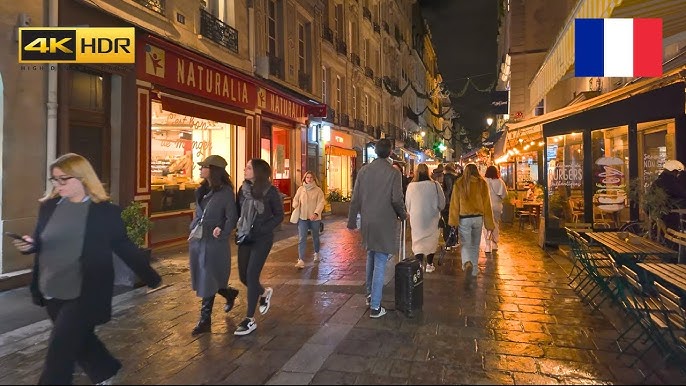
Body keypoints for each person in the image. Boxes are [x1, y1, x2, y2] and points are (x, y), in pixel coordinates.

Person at [11, 153, 161, 385]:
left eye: (64, 179)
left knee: (60, 350)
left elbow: (124, 246)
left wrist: (150, 276)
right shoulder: (49, 207)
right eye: (54, 180)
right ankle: (106, 370)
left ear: (82, 178)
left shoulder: (105, 212)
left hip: (85, 291)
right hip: (51, 288)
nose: (58, 185)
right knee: (79, 340)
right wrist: (29, 246)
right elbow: (43, 242)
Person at [347, 138, 407, 318]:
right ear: (390, 152)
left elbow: (355, 197)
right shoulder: (393, 172)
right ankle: (375, 306)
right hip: (384, 220)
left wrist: (351, 220)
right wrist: (403, 215)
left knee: (371, 256)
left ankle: (369, 294)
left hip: (367, 221)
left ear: (375, 151)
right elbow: (396, 198)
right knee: (380, 260)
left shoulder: (364, 171)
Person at [188, 155, 240, 336]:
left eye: (204, 166)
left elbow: (231, 217)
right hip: (198, 240)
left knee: (208, 277)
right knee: (205, 276)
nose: (200, 169)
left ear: (214, 170)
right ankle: (229, 293)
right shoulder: (201, 190)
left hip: (214, 242)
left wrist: (223, 231)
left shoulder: (225, 193)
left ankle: (204, 320)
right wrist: (193, 228)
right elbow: (197, 214)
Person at [234, 159, 284, 335]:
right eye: (246, 167)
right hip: (245, 236)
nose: (245, 169)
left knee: (252, 275)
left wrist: (263, 228)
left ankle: (249, 319)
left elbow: (279, 215)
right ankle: (264, 293)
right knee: (243, 277)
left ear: (258, 171)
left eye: (248, 167)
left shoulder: (270, 192)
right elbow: (238, 211)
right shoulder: (243, 189)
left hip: (262, 239)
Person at [448, 163, 495, 280]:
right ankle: (474, 270)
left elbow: (454, 205)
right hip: (478, 218)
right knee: (475, 245)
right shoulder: (482, 183)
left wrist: (453, 222)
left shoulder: (459, 183)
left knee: (465, 244)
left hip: (464, 219)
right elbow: (487, 205)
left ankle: (466, 263)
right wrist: (489, 224)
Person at [405, 163, 445, 273]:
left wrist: (411, 212)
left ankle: (419, 264)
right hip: (432, 217)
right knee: (431, 240)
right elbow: (442, 203)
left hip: (416, 218)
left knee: (418, 240)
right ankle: (429, 264)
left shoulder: (411, 186)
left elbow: (407, 204)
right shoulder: (435, 185)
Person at [292, 170, 326, 269]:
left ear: (314, 179)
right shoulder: (301, 189)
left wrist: (316, 213)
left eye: (311, 177)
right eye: (307, 177)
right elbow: (295, 199)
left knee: (315, 236)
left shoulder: (318, 190)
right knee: (302, 237)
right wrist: (295, 204)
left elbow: (321, 203)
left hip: (314, 218)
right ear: (304, 178)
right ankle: (301, 259)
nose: (309, 179)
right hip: (303, 217)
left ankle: (316, 252)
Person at [651, 160, 686, 231]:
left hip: (658, 210)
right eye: (678, 172)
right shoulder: (669, 181)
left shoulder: (661, 179)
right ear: (674, 171)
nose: (678, 174)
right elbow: (681, 193)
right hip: (668, 211)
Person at [481, 165, 508, 253]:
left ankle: (488, 245)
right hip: (497, 206)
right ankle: (495, 243)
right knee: (495, 223)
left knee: (486, 225)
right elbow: (504, 195)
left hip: (486, 206)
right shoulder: (500, 182)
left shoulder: (484, 181)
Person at [441, 163, 460, 247]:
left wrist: (446, 198)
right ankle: (453, 240)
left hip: (448, 203)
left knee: (447, 223)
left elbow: (449, 189)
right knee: (453, 221)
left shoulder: (447, 177)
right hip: (454, 202)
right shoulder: (456, 178)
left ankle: (449, 241)